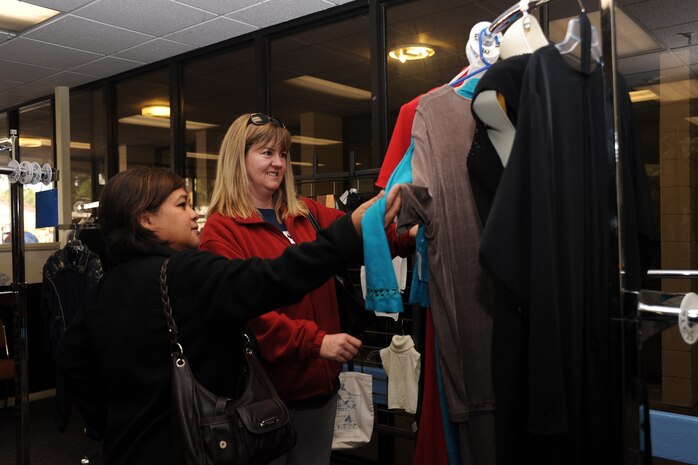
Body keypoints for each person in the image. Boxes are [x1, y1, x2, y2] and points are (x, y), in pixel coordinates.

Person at [57, 167, 401, 465]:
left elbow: (72, 359)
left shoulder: (101, 290)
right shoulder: (187, 274)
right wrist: (346, 234)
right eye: (182, 204)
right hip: (199, 447)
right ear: (146, 220)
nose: (195, 214)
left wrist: (108, 420)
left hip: (127, 450)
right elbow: (271, 279)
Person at [199, 113, 415, 465]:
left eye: (283, 154)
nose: (279, 163)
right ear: (239, 159)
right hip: (264, 396)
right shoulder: (221, 231)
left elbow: (365, 233)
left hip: (321, 390)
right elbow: (248, 315)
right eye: (267, 153)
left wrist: (408, 238)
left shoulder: (306, 213)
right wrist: (316, 342)